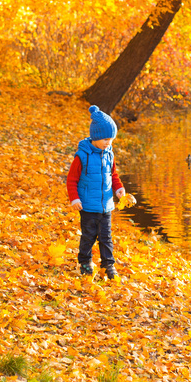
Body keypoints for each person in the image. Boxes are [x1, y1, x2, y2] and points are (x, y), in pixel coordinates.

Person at [66, 105, 126, 279]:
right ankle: (85, 262)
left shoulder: (109, 154)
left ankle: (108, 265)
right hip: (88, 206)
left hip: (106, 206)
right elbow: (72, 180)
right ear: (95, 137)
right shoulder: (82, 156)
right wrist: (74, 199)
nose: (108, 142)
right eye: (105, 139)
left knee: (106, 238)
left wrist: (119, 188)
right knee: (89, 236)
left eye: (111, 139)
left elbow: (113, 175)